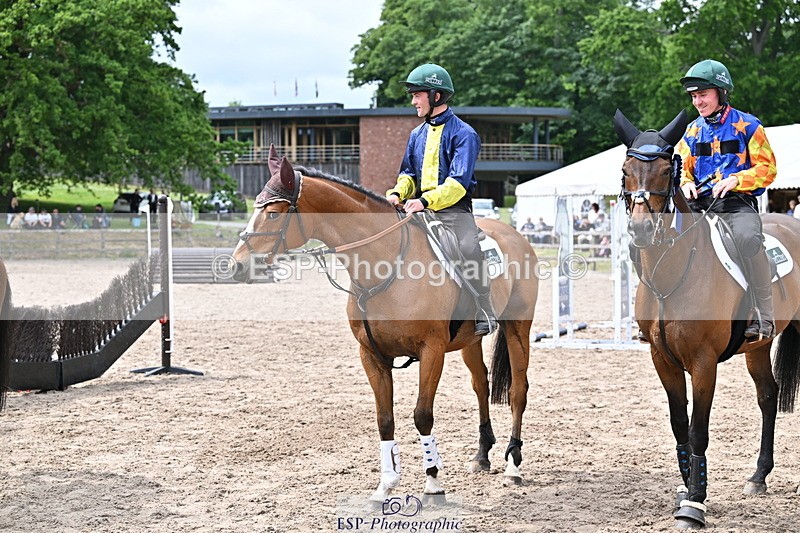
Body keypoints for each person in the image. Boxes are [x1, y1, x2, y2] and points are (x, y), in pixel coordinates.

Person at [386, 63, 497, 336]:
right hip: (419, 208)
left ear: (436, 96)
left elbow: (458, 183)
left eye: (417, 95)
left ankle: (484, 307)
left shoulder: (465, 134)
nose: (413, 101)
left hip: (454, 211)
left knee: (469, 247)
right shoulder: (416, 134)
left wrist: (425, 202)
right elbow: (408, 173)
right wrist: (399, 192)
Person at [676, 58, 777, 341]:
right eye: (694, 96)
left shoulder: (749, 126)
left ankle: (763, 314)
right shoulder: (692, 131)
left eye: (703, 94)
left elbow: (768, 169)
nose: (697, 101)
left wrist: (737, 179)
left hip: (736, 204)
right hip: (699, 204)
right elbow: (683, 167)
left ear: (720, 92)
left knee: (748, 240)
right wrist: (685, 183)